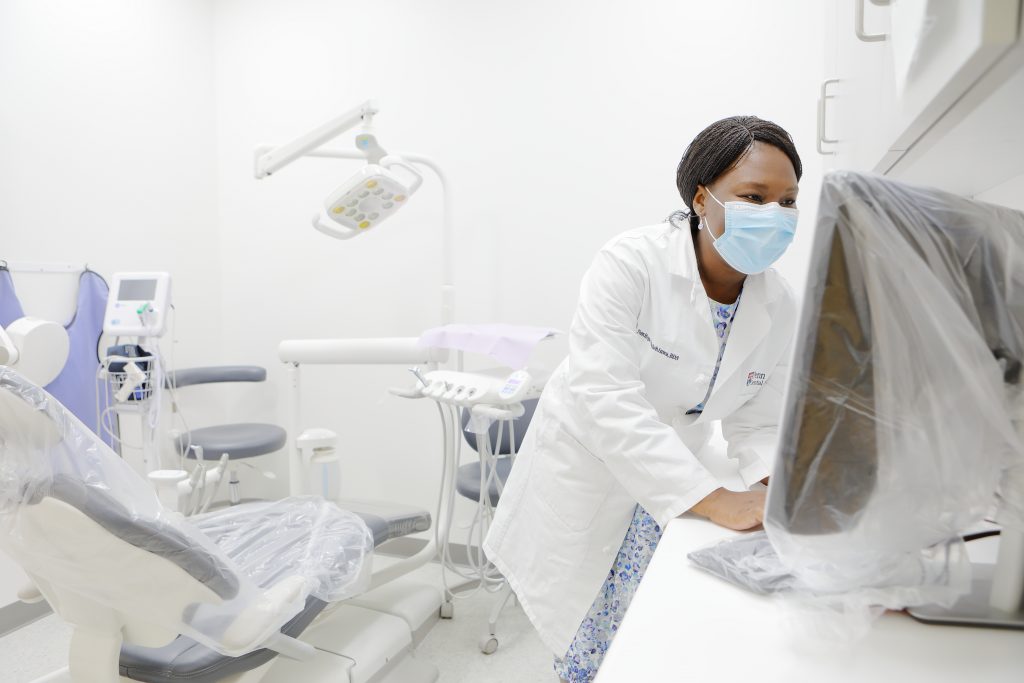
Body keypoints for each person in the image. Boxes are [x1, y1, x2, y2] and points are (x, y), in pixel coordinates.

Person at [482, 116, 803, 682]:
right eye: (754, 197)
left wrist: (776, 486)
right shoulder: (632, 263)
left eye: (788, 202)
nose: (774, 216)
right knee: (587, 635)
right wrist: (712, 498)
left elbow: (760, 418)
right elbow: (605, 396)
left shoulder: (778, 302)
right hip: (592, 468)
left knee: (646, 632)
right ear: (703, 199)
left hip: (673, 471)